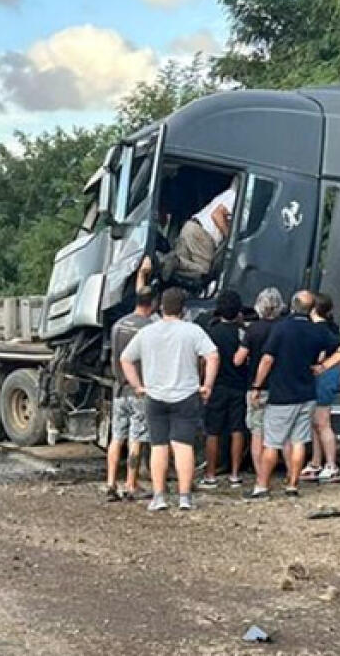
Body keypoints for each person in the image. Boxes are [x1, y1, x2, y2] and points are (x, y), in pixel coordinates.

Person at [245, 290, 340, 499]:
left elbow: (267, 359)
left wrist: (257, 386)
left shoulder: (281, 328)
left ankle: (262, 486)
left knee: (272, 443)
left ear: (291, 305)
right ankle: (293, 485)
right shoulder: (317, 331)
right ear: (311, 309)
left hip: (281, 394)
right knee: (298, 442)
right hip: (307, 393)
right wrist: (324, 366)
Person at [120, 287, 218, 512]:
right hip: (186, 395)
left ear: (161, 307)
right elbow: (212, 356)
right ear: (184, 309)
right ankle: (184, 498)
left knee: (158, 446)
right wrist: (208, 385)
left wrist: (138, 386)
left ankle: (159, 497)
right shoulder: (193, 331)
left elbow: (126, 359)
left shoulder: (147, 332)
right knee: (183, 446)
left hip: (155, 396)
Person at [105, 286, 157, 501]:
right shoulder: (150, 327)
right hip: (139, 389)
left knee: (117, 437)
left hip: (119, 389)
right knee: (137, 437)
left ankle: (110, 482)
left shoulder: (118, 325)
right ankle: (131, 483)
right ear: (152, 303)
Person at [198, 290, 249, 489]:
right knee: (237, 429)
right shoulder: (242, 332)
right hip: (239, 385)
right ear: (238, 311)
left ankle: (210, 474)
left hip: (217, 386)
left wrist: (203, 381)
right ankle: (235, 474)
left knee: (213, 431)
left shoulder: (211, 333)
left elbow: (204, 360)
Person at [234, 287, 285, 479]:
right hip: (281, 387)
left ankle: (260, 475)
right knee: (280, 434)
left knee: (257, 433)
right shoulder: (284, 327)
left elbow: (239, 359)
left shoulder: (252, 330)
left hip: (257, 387)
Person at [300, 292, 340, 484]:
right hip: (322, 376)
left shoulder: (323, 329)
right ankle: (316, 462)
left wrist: (324, 366)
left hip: (325, 377)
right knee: (314, 422)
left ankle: (331, 465)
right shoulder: (325, 327)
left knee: (322, 421)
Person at [168, 180, 235, 280]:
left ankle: (176, 261)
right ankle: (177, 261)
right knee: (204, 274)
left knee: (181, 275)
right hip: (201, 234)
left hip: (191, 227)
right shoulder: (235, 197)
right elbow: (217, 215)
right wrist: (231, 238)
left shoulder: (229, 194)